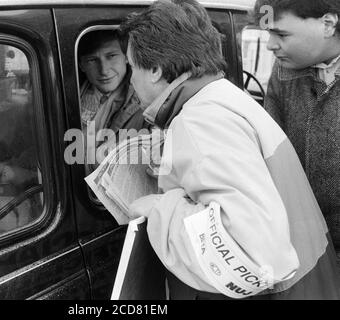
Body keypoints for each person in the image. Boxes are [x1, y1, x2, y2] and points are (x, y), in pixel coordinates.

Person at [119, 0, 340, 299]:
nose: (130, 79)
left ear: (156, 69)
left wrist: (160, 210)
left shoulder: (200, 120)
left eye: (131, 67)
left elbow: (254, 254)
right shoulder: (223, 97)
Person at [252, 0, 340, 261]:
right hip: (303, 244)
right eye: (268, 34)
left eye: (280, 34)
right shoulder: (282, 73)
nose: (270, 45)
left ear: (327, 24)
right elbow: (269, 152)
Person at [78, 30, 148, 165]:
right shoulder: (63, 96)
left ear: (127, 57)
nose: (104, 70)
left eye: (111, 56)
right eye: (92, 60)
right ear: (81, 65)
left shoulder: (146, 103)